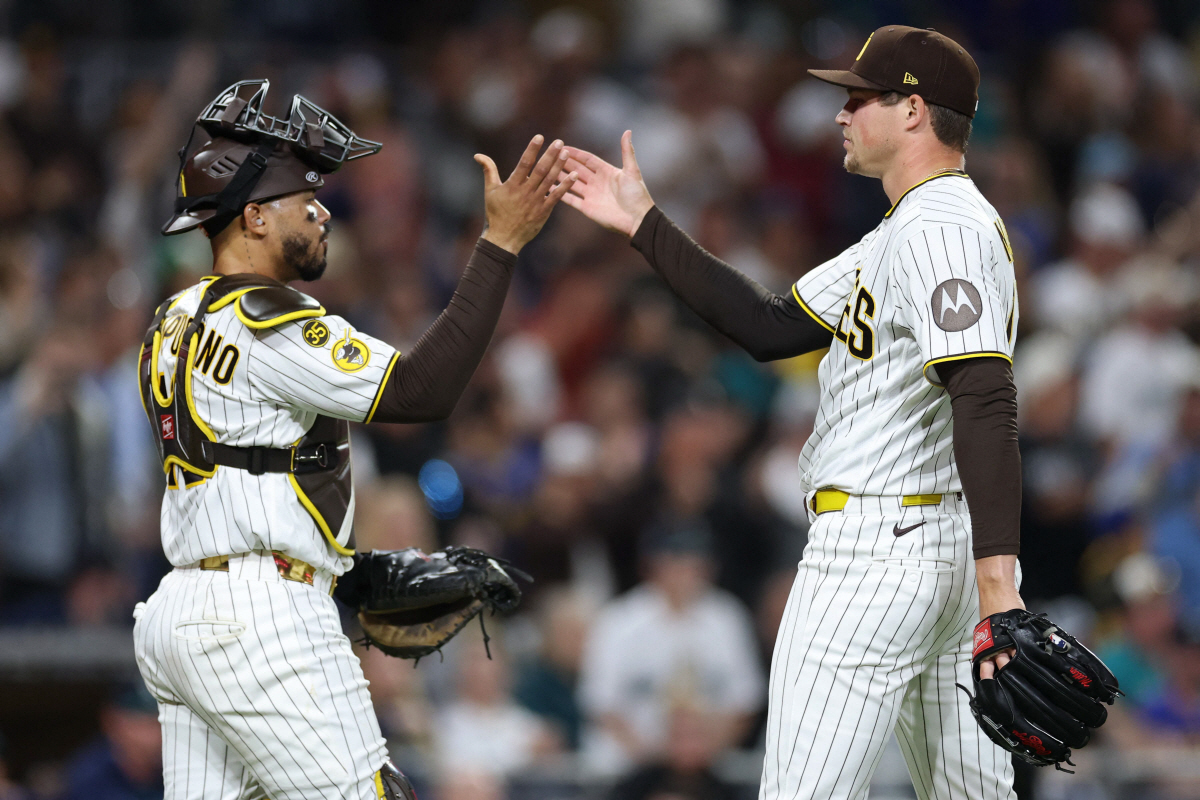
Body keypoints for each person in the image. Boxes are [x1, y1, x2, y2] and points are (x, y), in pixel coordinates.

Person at [563, 26, 1025, 800]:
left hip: (878, 551)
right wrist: (645, 223)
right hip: (935, 548)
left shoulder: (941, 226)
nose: (841, 115)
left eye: (858, 98)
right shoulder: (905, 229)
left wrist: (999, 584)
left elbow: (983, 392)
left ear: (913, 110)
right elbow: (770, 325)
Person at [131, 79, 576, 800]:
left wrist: (335, 566)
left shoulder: (173, 317)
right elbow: (419, 392)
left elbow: (255, 467)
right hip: (258, 616)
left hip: (184, 610)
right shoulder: (267, 318)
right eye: (303, 200)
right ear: (253, 219)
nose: (322, 211)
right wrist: (500, 244)